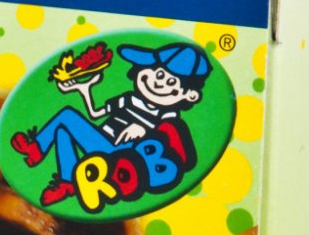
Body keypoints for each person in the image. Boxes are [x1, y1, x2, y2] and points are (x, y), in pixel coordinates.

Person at [11, 43, 212, 205]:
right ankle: (67, 181)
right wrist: (85, 90)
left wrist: (144, 130)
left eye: (171, 82)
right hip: (101, 143)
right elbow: (95, 113)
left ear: (190, 95)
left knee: (67, 117)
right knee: (63, 130)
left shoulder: (168, 117)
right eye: (159, 74)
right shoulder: (129, 99)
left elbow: (166, 143)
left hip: (120, 159)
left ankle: (37, 150)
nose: (159, 83)